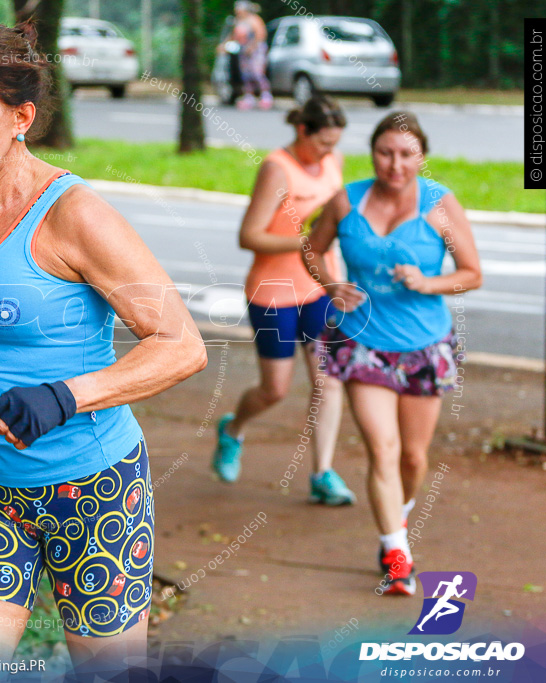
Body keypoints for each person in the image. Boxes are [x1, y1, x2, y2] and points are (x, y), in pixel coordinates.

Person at [0, 18, 207, 674]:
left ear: (20, 116)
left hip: (96, 489)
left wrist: (65, 397)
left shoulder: (74, 215)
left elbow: (182, 344)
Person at [301, 112, 482, 596]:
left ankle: (395, 519)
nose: (395, 164)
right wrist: (333, 286)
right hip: (364, 343)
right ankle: (396, 553)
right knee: (382, 449)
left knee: (414, 458)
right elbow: (311, 249)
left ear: (421, 156)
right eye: (385, 152)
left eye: (406, 154)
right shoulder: (347, 200)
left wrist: (428, 283)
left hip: (425, 346)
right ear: (373, 153)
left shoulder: (440, 205)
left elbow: (471, 272)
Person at [212, 95, 355, 507]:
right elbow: (249, 235)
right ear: (301, 131)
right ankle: (233, 428)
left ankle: (322, 473)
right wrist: (307, 241)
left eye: (334, 144)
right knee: (275, 389)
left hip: (319, 288)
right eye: (322, 143)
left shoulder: (334, 162)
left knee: (329, 380)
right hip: (274, 292)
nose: (328, 152)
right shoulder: (278, 168)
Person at [226, 1, 272, 110]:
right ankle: (249, 97)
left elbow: (261, 34)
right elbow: (233, 35)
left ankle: (266, 96)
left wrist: (252, 47)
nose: (237, 12)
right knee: (245, 75)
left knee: (257, 73)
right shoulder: (238, 21)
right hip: (243, 50)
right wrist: (224, 45)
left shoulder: (254, 19)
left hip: (256, 51)